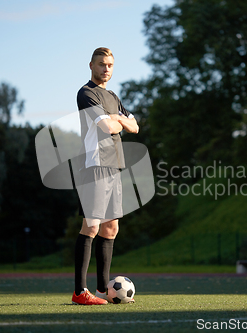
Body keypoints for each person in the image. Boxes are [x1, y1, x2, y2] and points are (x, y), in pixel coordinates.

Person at [71, 47, 139, 305]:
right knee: (91, 225)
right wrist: (118, 120)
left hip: (114, 166)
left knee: (111, 228)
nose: (106, 69)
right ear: (91, 65)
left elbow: (135, 126)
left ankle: (102, 290)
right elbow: (108, 126)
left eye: (110, 64)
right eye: (101, 64)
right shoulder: (86, 93)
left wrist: (117, 118)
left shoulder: (112, 96)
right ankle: (80, 292)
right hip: (94, 165)